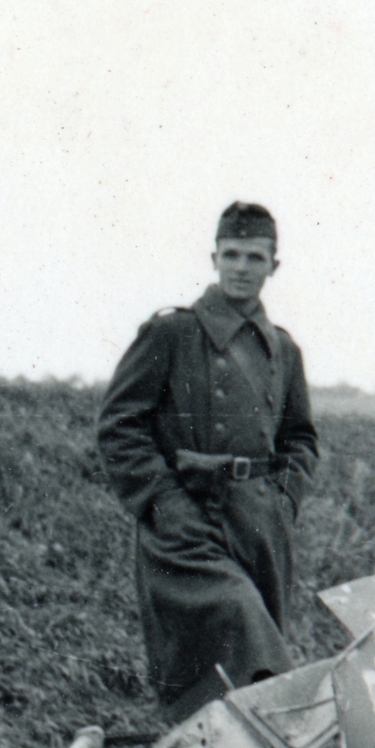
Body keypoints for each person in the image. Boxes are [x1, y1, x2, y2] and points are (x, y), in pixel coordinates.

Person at [98, 202, 319, 720]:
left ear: (273, 266)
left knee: (249, 680)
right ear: (214, 258)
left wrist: (284, 500)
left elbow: (301, 438)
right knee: (237, 639)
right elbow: (119, 425)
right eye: (232, 254)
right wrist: (162, 501)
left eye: (255, 257)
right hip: (187, 524)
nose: (242, 267)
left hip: (260, 528)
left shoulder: (283, 351)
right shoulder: (172, 334)